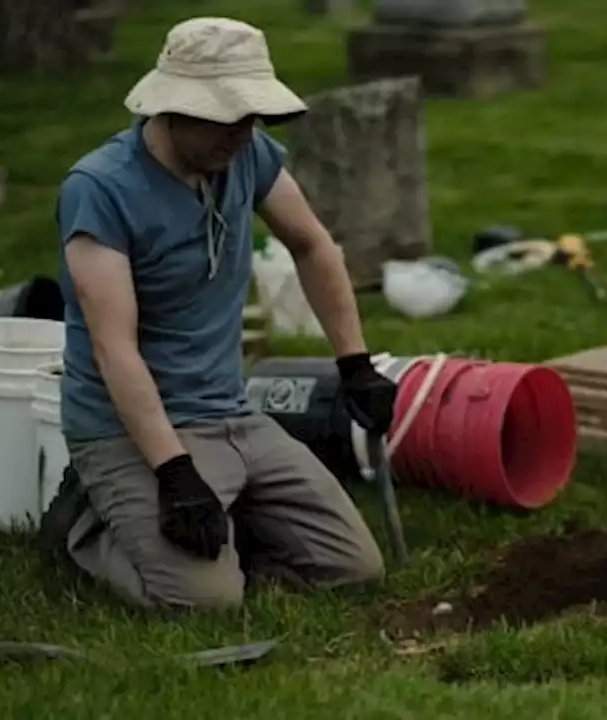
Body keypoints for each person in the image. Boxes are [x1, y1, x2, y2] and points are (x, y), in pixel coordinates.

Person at [37, 17, 395, 610]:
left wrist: (354, 362)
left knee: (353, 568)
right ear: (173, 106)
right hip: (130, 429)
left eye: (252, 118)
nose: (242, 134)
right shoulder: (100, 189)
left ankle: (221, 523)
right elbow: (113, 348)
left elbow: (313, 245)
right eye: (227, 118)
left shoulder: (247, 155)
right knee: (207, 603)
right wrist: (174, 472)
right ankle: (86, 531)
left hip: (232, 411)